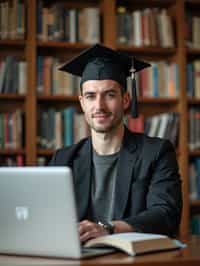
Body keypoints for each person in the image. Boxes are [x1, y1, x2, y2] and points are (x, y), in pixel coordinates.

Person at [49, 44, 182, 243]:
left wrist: (108, 229)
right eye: (90, 96)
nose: (99, 106)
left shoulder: (156, 152)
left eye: (110, 95)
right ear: (82, 103)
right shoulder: (64, 159)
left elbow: (166, 214)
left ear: (126, 100)